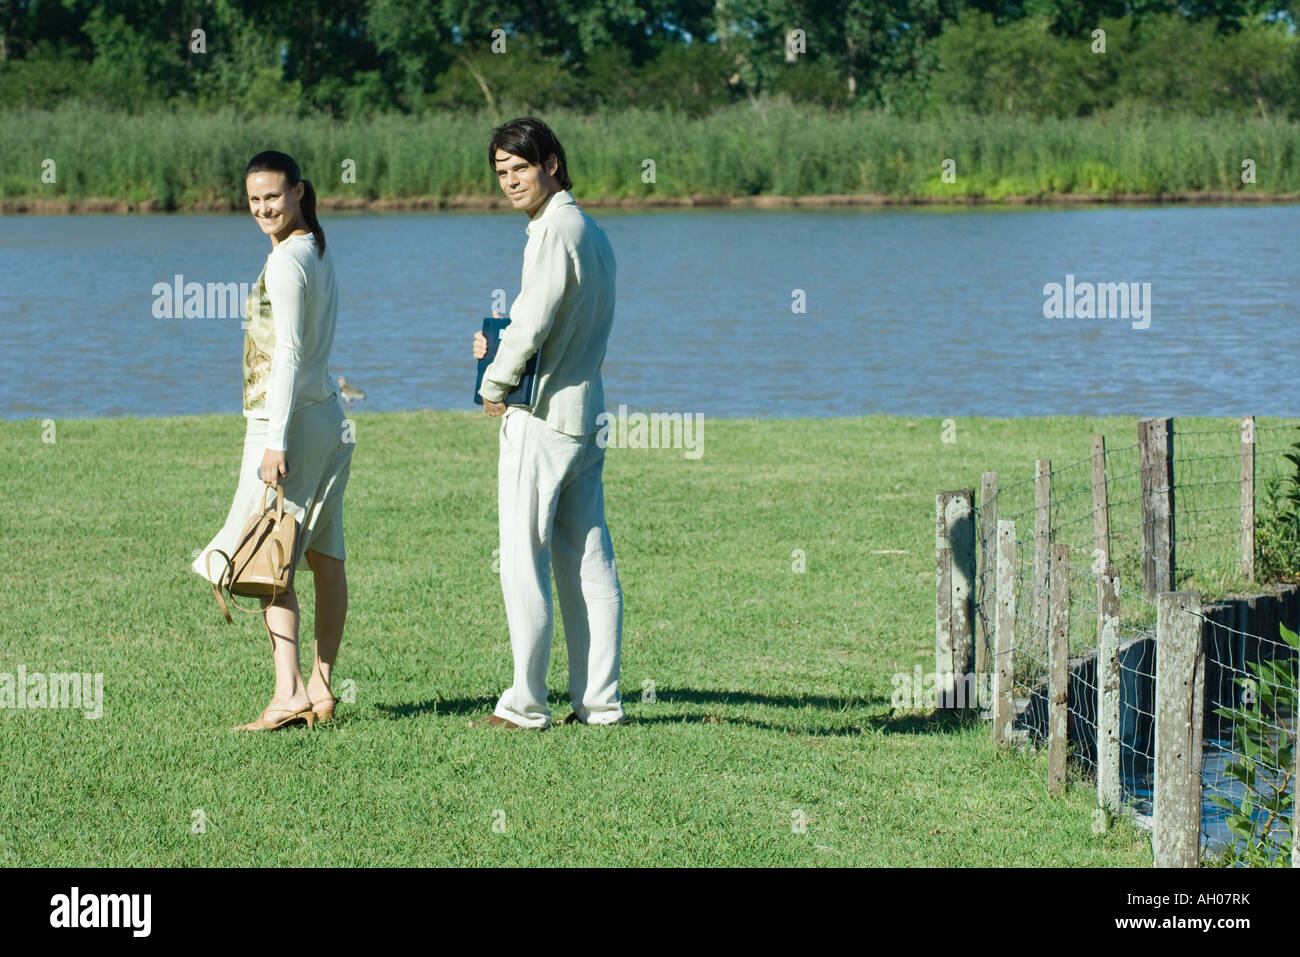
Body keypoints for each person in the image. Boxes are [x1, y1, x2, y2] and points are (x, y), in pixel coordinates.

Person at [470, 116, 627, 730]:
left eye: (520, 168)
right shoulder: (591, 231)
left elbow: (532, 321)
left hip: (540, 420)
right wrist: (503, 342)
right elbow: (554, 322)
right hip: (585, 416)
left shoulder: (551, 231)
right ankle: (599, 703)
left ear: (551, 164)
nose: (510, 181)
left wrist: (493, 382)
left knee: (522, 558)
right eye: (501, 172)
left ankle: (525, 704)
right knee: (590, 561)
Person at [193, 150, 354, 732]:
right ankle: (321, 686)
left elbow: (286, 355)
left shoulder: (288, 261)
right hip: (328, 419)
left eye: (273, 197)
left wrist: (274, 440)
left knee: (268, 555)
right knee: (323, 555)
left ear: (300, 192)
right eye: (254, 199)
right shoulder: (314, 247)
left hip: (285, 426)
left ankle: (288, 694)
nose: (263, 208)